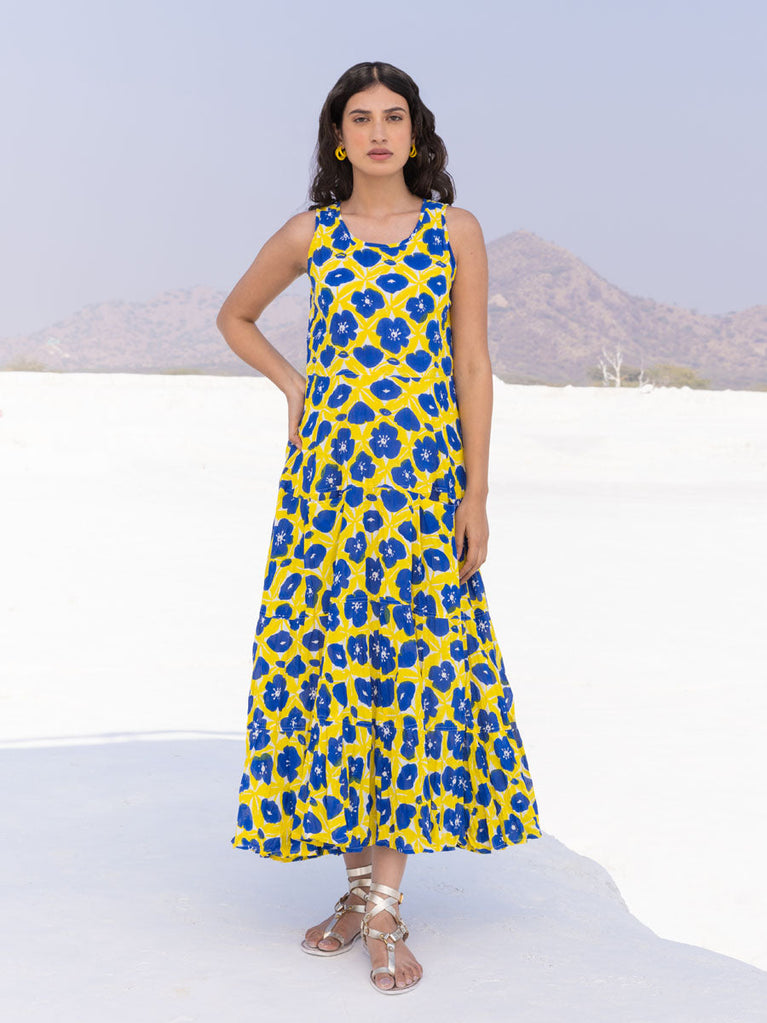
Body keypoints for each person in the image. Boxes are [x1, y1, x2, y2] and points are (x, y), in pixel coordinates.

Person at [216, 60, 543, 996]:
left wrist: (476, 494)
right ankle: (358, 891)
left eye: (392, 117)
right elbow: (235, 316)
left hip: (422, 488)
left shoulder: (453, 230)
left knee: (410, 676)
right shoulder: (310, 233)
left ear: (415, 133)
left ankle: (386, 907)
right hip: (327, 488)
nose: (376, 133)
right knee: (334, 672)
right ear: (337, 138)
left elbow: (471, 364)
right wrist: (296, 384)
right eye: (358, 118)